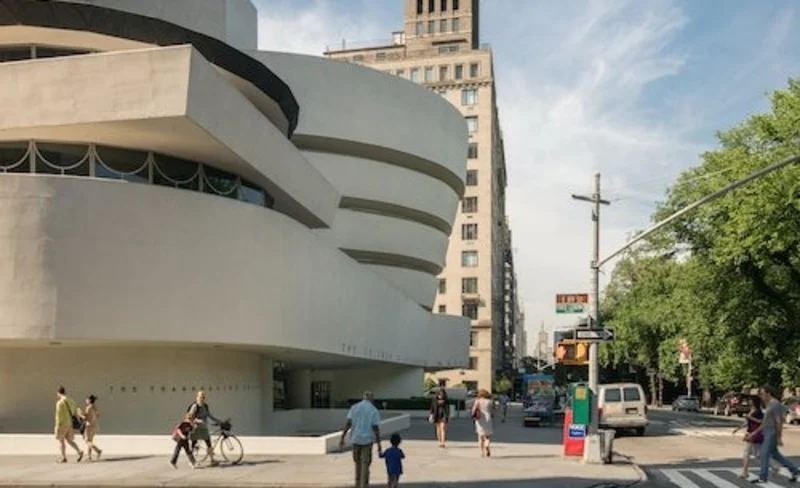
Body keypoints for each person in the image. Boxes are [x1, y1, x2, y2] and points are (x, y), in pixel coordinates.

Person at [746, 385, 799, 483]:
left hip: (772, 433)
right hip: (767, 432)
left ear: (768, 393)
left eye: (762, 394)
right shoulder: (769, 404)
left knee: (764, 454)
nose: (761, 396)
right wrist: (753, 433)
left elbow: (779, 422)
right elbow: (765, 423)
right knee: (776, 455)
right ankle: (795, 471)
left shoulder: (775, 404)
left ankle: (763, 477)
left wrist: (779, 437)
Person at [339, 391, 383, 488]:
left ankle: (357, 484)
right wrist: (379, 444)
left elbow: (348, 423)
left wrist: (342, 437)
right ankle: (363, 485)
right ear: (371, 399)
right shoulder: (373, 410)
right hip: (367, 440)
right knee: (365, 464)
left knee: (357, 463)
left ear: (363, 398)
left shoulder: (354, 408)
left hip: (355, 439)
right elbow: (375, 428)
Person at [188, 391, 220, 465]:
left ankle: (212, 460)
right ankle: (191, 461)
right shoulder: (195, 406)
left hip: (204, 428)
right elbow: (190, 417)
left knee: (208, 443)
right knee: (193, 444)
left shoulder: (205, 406)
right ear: (197, 397)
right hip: (196, 428)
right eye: (200, 396)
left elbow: (209, 415)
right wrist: (199, 421)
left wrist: (218, 421)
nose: (202, 398)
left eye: (203, 397)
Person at [54, 386, 84, 463]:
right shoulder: (71, 400)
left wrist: (57, 425)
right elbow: (74, 412)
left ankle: (63, 457)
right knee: (70, 440)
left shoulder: (59, 403)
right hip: (70, 424)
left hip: (62, 424)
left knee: (61, 441)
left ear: (58, 393)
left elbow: (58, 415)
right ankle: (79, 451)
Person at [471, 389, 495, 457]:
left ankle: (482, 452)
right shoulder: (490, 401)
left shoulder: (477, 401)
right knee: (487, 435)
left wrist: (473, 415)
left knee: (480, 436)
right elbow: (492, 410)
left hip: (480, 418)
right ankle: (487, 444)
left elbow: (473, 410)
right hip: (488, 418)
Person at [80, 395, 103, 461]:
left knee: (87, 441)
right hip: (94, 425)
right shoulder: (95, 407)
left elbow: (85, 417)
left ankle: (98, 451)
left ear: (89, 400)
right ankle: (89, 456)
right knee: (90, 441)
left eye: (86, 399)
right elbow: (98, 416)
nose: (85, 401)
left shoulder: (88, 408)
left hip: (89, 426)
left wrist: (79, 414)